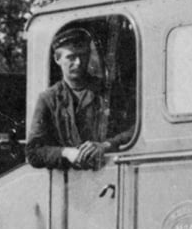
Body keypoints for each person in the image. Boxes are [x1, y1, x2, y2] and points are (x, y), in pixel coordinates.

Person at [26, 25, 134, 169]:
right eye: (71, 57)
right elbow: (34, 152)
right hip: (69, 182)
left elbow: (135, 129)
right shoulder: (49, 99)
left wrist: (106, 145)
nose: (78, 62)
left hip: (110, 172)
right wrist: (65, 152)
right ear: (57, 59)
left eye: (83, 55)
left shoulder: (109, 91)